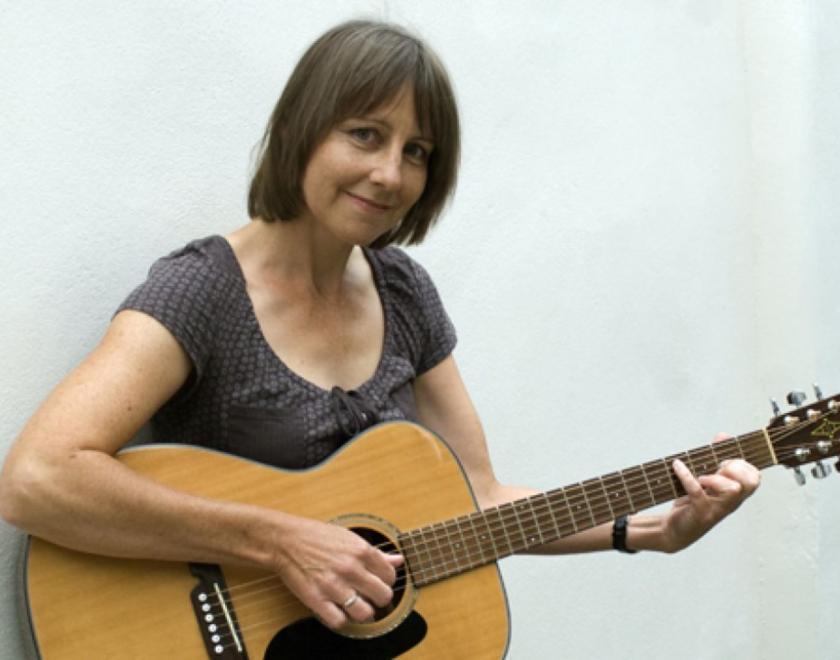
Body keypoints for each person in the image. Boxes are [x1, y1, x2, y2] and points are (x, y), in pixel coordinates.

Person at [0, 19, 759, 638]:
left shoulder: (404, 294)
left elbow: (479, 500)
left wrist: (650, 533)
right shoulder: (202, 290)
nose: (391, 175)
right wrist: (279, 539)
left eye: (416, 152)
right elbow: (37, 478)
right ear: (303, 131)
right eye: (365, 134)